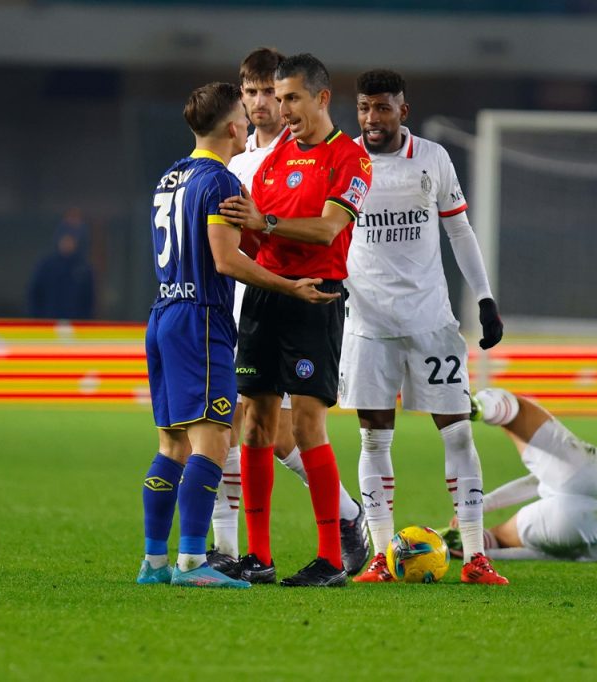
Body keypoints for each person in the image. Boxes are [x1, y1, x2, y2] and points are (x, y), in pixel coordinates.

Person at [138, 82, 339, 588]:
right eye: (244, 118)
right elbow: (227, 260)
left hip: (163, 313)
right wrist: (290, 286)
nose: (249, 123)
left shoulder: (170, 176)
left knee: (171, 445)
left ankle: (154, 562)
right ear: (232, 127)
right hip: (201, 319)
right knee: (211, 442)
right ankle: (192, 563)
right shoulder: (220, 181)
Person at [339, 70, 508, 585]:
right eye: (365, 107)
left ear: (402, 111)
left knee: (458, 432)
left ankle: (475, 556)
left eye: (382, 107)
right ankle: (380, 557)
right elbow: (329, 233)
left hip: (431, 321)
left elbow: (459, 229)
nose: (372, 118)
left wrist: (484, 298)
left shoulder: (432, 158)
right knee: (373, 441)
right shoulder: (343, 160)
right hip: (368, 324)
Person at [208, 47, 367, 578]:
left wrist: (265, 222)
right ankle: (258, 556)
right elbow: (255, 233)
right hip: (266, 294)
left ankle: (331, 557)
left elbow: (328, 229)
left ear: (322, 97)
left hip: (316, 296)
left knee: (305, 424)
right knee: (254, 423)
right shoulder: (275, 159)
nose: (283, 109)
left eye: (292, 98)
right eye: (279, 99)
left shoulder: (350, 158)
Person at [441, 388, 597, 562]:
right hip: (593, 527)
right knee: (500, 538)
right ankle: (469, 544)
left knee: (517, 411)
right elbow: (546, 555)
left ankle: (481, 405)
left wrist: (483, 504)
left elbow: (539, 482)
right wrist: (486, 552)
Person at [27, 230, 95, 320]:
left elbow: (89, 298)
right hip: (49, 320)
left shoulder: (83, 268)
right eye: (65, 240)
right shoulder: (46, 265)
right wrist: (38, 317)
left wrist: (84, 319)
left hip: (75, 322)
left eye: (71, 241)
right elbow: (35, 293)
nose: (67, 244)